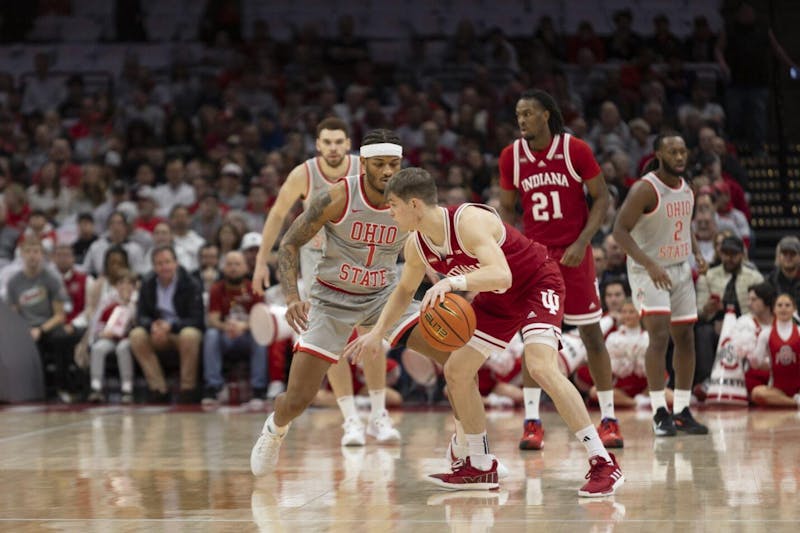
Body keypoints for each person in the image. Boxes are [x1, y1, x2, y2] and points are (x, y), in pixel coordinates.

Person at [345, 167, 623, 496]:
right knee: (457, 369)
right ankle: (479, 465)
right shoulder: (417, 245)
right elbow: (404, 292)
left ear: (415, 204)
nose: (389, 212)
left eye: (393, 204)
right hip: (496, 299)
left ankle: (603, 461)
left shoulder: (467, 221)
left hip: (536, 282)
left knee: (540, 367)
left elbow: (502, 275)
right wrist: (378, 332)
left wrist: (453, 282)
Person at [250, 132, 450, 476]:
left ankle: (471, 450)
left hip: (385, 296)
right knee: (296, 399)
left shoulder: (411, 198)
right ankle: (275, 428)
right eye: (379, 164)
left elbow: (435, 236)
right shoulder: (338, 195)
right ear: (364, 163)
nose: (388, 172)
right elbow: (289, 243)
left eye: (394, 164)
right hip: (332, 299)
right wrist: (292, 296)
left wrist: (443, 269)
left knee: (457, 357)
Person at [250, 118, 393, 446]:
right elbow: (277, 215)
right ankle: (351, 420)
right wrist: (261, 261)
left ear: (348, 144)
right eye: (326, 142)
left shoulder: (366, 169)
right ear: (317, 145)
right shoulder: (304, 174)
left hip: (363, 263)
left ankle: (379, 415)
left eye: (338, 142)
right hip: (319, 271)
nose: (332, 148)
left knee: (371, 337)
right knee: (333, 346)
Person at [498, 89, 623, 450]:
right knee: (534, 342)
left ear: (547, 115)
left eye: (528, 113)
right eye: (518, 114)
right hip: (537, 258)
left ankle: (610, 418)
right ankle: (532, 422)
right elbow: (507, 209)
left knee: (591, 336)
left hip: (575, 253)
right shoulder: (511, 156)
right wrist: (518, 245)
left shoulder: (575, 150)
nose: (521, 120)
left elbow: (602, 197)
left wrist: (584, 241)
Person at [613, 132, 709, 436]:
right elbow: (619, 231)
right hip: (648, 270)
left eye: (683, 151)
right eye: (673, 152)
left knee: (686, 337)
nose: (679, 157)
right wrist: (650, 264)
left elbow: (684, 224)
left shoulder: (688, 187)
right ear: (658, 154)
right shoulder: (645, 189)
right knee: (659, 337)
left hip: (680, 268)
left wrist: (696, 252)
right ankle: (658, 412)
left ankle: (681, 409)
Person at [129, 245, 204, 403]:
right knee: (136, 335)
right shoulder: (147, 283)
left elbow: (197, 319)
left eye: (167, 262)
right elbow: (140, 315)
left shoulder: (191, 283)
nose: (164, 267)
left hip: (180, 331)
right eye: (159, 263)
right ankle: (158, 389)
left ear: (176, 263)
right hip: (157, 332)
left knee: (189, 335)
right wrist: (153, 326)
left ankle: (187, 389)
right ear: (154, 266)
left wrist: (171, 326)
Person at [201, 251, 268, 407]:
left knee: (260, 336)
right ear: (223, 268)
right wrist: (228, 327)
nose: (233, 268)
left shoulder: (254, 288)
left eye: (237, 264)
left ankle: (259, 389)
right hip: (226, 337)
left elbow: (262, 319)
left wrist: (243, 326)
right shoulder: (217, 289)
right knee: (211, 334)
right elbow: (213, 320)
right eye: (229, 264)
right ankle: (213, 387)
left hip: (247, 337)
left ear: (245, 268)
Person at [87, 269, 137, 404]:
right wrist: (101, 333)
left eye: (128, 283)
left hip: (128, 339)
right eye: (121, 283)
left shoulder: (137, 301)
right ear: (116, 285)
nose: (124, 287)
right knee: (98, 348)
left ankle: (127, 388)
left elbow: (137, 323)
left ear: (134, 286)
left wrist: (128, 303)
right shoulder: (108, 301)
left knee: (122, 349)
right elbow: (98, 322)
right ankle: (96, 387)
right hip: (109, 338)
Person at [749, 293, 800, 408]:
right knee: (756, 393)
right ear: (774, 309)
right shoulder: (766, 334)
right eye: (780, 305)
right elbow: (756, 364)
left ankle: (786, 401)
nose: (783, 308)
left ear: (794, 309)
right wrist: (750, 354)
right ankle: (794, 403)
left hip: (798, 388)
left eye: (787, 305)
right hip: (776, 390)